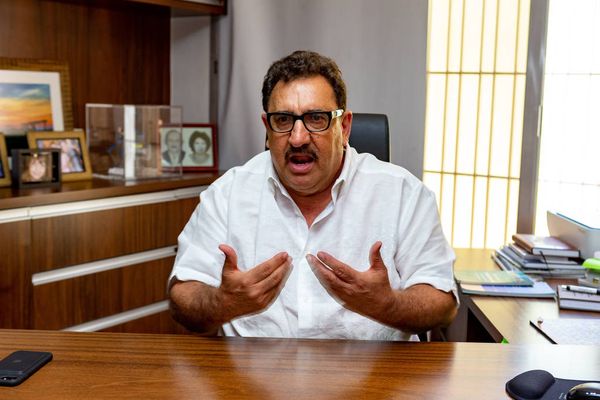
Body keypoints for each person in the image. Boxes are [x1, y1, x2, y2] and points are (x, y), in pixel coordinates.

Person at [168, 50, 458, 340]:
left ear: (344, 127)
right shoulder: (227, 194)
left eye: (316, 118)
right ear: (267, 129)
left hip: (373, 366)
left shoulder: (403, 193)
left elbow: (442, 301)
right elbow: (183, 294)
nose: (298, 138)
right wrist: (223, 303)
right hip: (251, 366)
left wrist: (387, 305)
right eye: (283, 120)